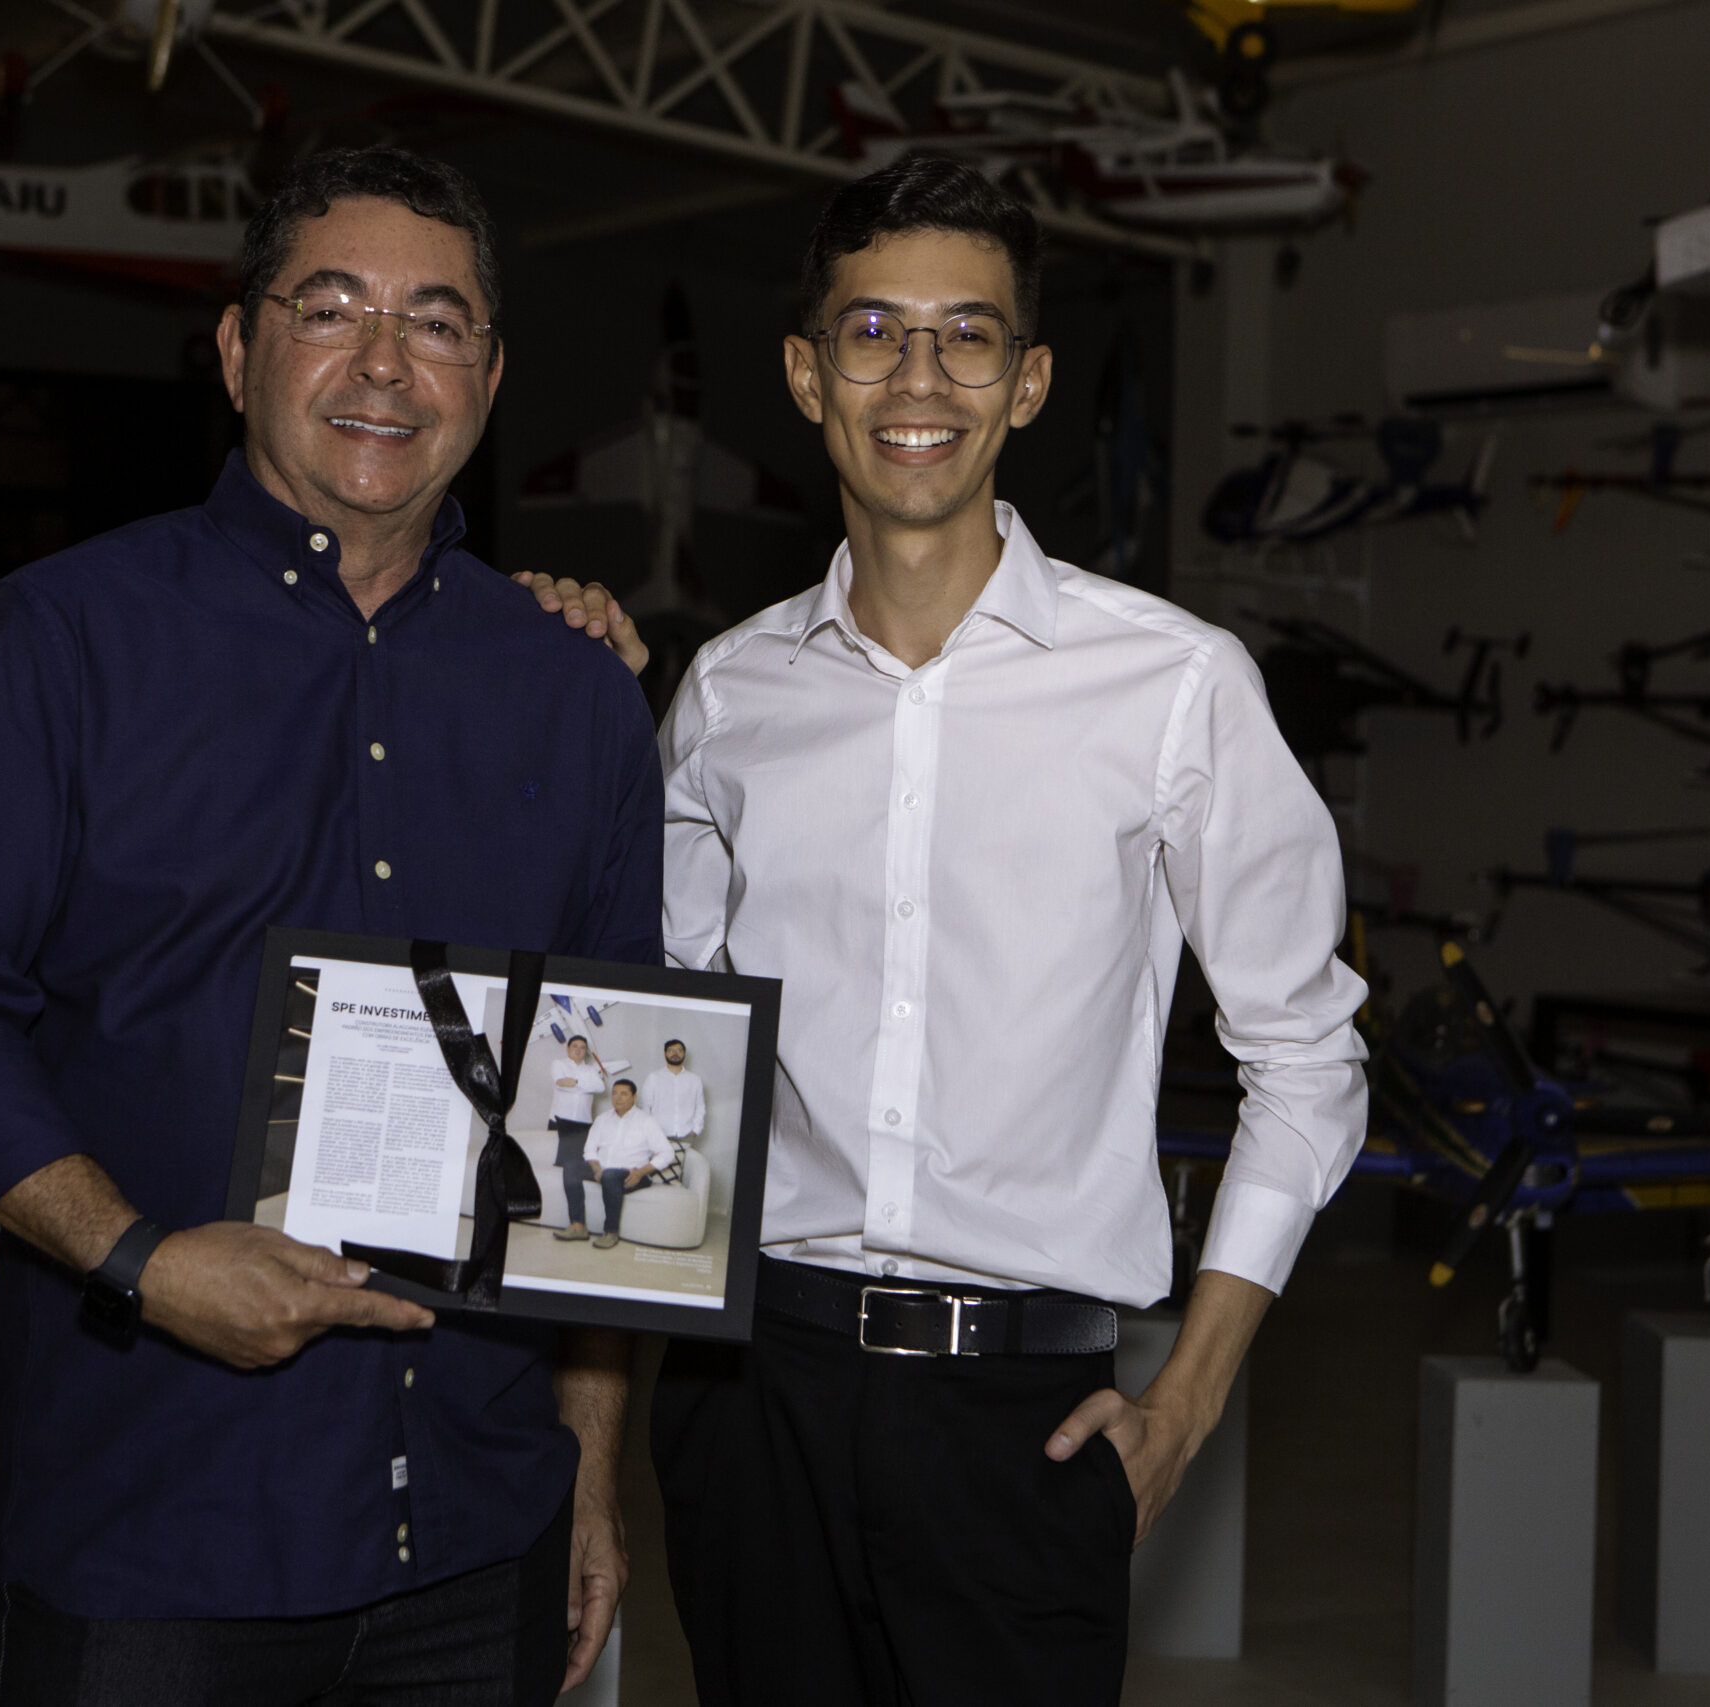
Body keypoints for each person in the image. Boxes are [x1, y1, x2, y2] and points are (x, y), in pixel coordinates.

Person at [524, 156, 1368, 1706]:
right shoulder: (727, 694)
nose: (920, 378)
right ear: (807, 376)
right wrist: (594, 1452)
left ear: (1027, 382)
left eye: (969, 335)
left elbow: (1310, 1060)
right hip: (749, 1401)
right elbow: (656, 1073)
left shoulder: (1176, 686)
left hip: (1020, 1423)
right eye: (873, 332)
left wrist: (1184, 1402)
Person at [0, 146, 660, 1707]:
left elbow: (603, 1105)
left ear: (489, 376)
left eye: (436, 322)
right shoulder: (61, 641)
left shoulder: (577, 692)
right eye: (330, 308)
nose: (384, 363)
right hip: (155, 1530)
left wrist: (591, 1470)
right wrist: (139, 1258)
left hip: (479, 1530)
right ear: (236, 350)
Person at [575, 1078, 675, 1249]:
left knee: (610, 1175)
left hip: (632, 1174)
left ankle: (611, 1232)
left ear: (634, 1097)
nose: (617, 1097)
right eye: (614, 1093)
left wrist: (641, 1172)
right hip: (603, 1170)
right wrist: (596, 1168)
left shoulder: (646, 1121)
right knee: (571, 1167)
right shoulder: (602, 1119)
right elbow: (589, 1149)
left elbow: (667, 1153)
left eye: (623, 1094)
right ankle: (577, 1226)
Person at [546, 1035, 608, 1242]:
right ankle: (559, 1216)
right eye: (575, 1047)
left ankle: (577, 1224)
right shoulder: (558, 1064)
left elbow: (600, 1088)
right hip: (558, 1121)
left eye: (583, 1047)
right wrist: (585, 1084)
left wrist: (576, 1082)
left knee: (572, 1168)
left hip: (582, 1125)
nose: (579, 1050)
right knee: (555, 1168)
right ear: (568, 1048)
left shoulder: (591, 1069)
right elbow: (561, 1082)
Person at [637, 1038, 704, 1152]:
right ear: (665, 1053)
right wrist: (649, 1132)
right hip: (659, 1135)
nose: (675, 1053)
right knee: (660, 1163)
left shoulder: (695, 1080)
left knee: (686, 1162)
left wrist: (695, 1130)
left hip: (686, 1135)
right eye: (671, 1050)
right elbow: (645, 1107)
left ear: (684, 1054)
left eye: (679, 1050)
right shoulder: (653, 1078)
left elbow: (700, 1107)